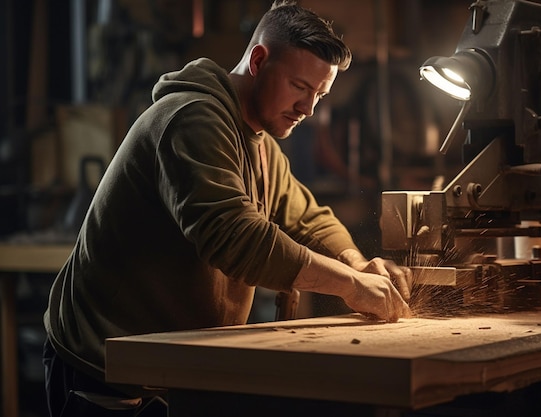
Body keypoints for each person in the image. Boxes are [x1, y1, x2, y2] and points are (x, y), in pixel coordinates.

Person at [43, 1, 413, 416]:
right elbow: (235, 238)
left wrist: (357, 263)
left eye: (319, 94)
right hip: (105, 362)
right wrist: (349, 285)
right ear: (258, 59)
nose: (308, 108)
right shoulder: (191, 119)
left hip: (168, 362)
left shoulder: (260, 142)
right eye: (299, 87)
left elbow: (307, 217)